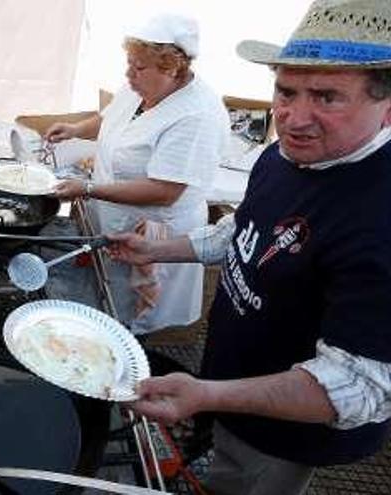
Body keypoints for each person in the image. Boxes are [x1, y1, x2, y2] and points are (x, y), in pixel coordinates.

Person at [109, 1, 391, 493]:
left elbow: (361, 385)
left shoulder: (378, 214)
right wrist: (157, 250)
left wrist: (205, 393)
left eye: (327, 97)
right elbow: (242, 231)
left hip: (285, 431)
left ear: (385, 104)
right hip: (225, 382)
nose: (294, 118)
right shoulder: (284, 155)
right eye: (286, 91)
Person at [45, 14, 229, 334]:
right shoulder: (142, 83)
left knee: (130, 310)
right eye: (130, 63)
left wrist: (87, 188)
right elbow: (113, 119)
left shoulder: (197, 115)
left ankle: (129, 357)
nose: (129, 74)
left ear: (172, 67)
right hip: (112, 214)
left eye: (138, 67)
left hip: (154, 231)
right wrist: (76, 129)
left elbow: (164, 190)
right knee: (104, 291)